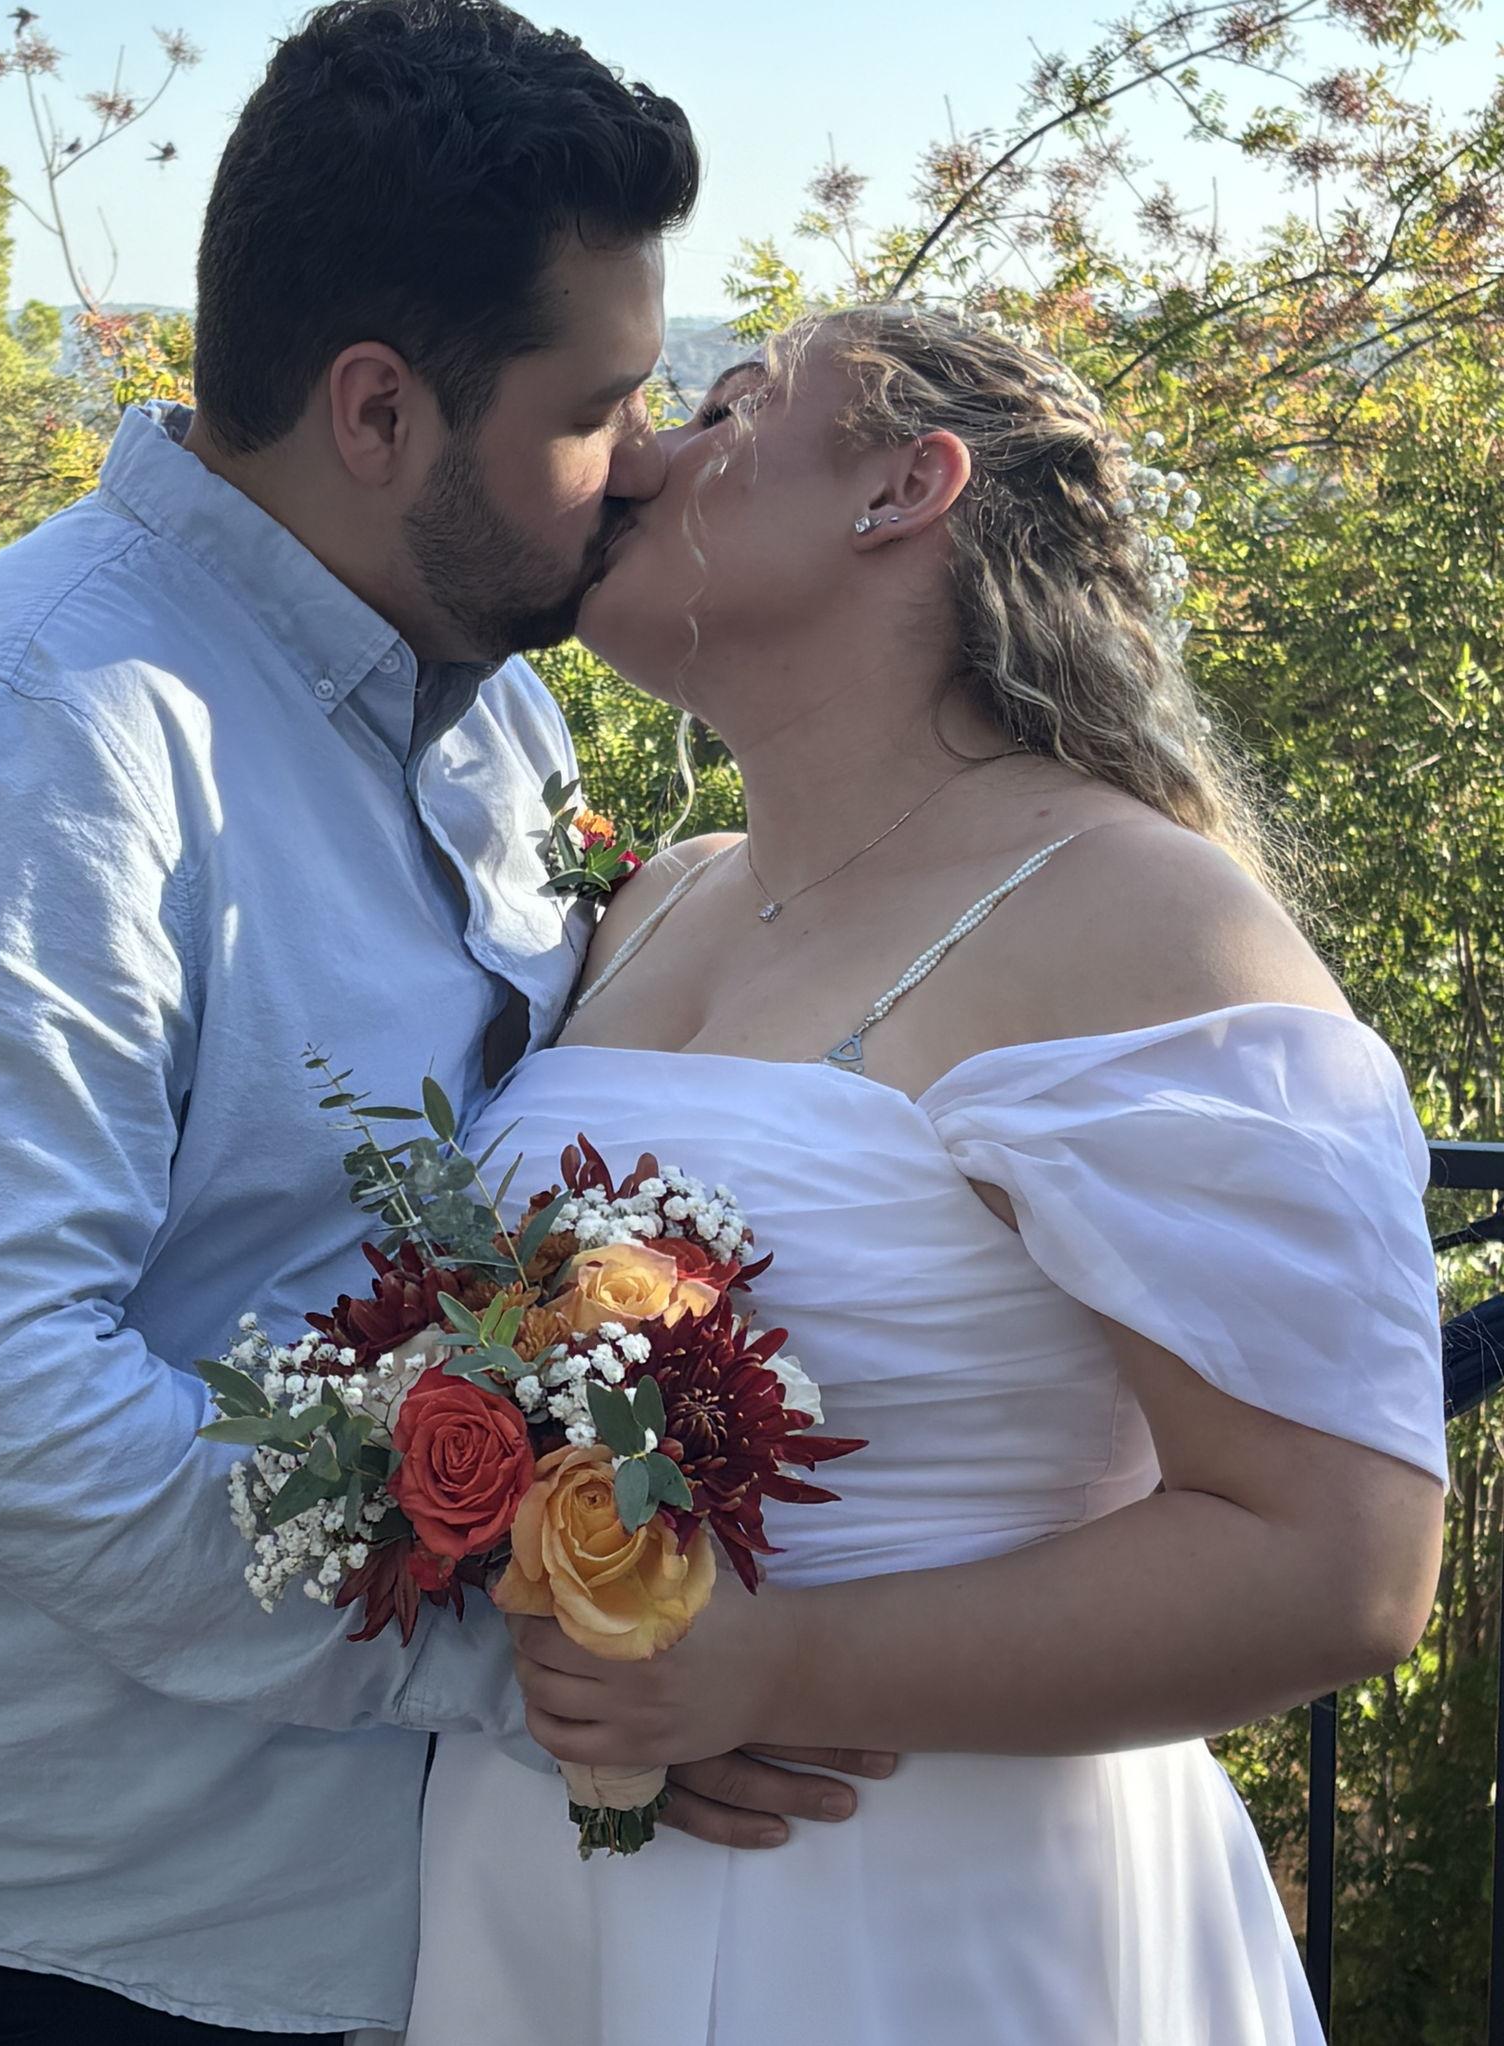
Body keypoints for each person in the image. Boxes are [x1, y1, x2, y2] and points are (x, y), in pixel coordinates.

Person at [0, 7, 873, 2043]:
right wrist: (526, 1661)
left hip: (299, 1914)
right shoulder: (38, 729)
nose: (647, 461)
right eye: (595, 407)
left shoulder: (494, 718)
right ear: (375, 410)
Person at [403, 305, 1448, 2044]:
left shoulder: (1147, 918)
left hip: (923, 1907)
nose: (640, 451)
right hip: (546, 1882)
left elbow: (1340, 1561)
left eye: (728, 407)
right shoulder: (657, 895)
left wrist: (786, 1664)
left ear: (904, 488)